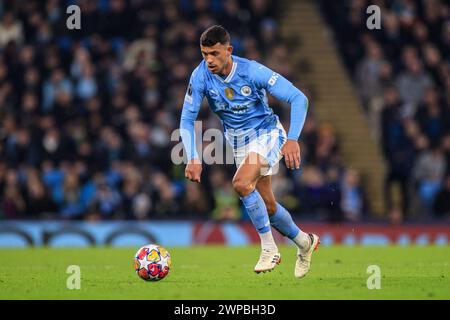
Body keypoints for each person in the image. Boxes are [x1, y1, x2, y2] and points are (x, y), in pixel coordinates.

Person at [179, 25, 319, 277]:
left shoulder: (251, 70)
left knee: (241, 183)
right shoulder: (200, 76)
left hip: (267, 133)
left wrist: (293, 139)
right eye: (204, 54)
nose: (209, 60)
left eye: (214, 53)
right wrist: (192, 156)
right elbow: (186, 120)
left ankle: (269, 249)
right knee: (268, 206)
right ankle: (304, 242)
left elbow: (298, 98)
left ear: (229, 50)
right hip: (239, 143)